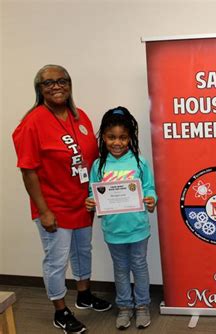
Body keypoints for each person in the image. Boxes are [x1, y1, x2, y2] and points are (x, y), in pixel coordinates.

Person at [12, 64, 112, 334]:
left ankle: (84, 294)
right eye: (49, 83)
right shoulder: (32, 122)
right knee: (56, 260)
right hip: (53, 206)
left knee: (83, 251)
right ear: (39, 89)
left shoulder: (80, 117)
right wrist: (43, 210)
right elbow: (28, 171)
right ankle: (60, 310)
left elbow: (92, 158)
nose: (56, 86)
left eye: (62, 81)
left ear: (69, 85)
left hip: (82, 202)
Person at [85, 106, 157, 330]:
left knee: (140, 266)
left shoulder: (139, 162)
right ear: (104, 138)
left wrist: (151, 199)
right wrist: (90, 201)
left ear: (130, 138)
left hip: (137, 228)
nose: (117, 142)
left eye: (123, 137)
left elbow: (150, 189)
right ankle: (124, 307)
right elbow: (92, 192)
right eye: (112, 137)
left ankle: (142, 306)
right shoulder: (99, 165)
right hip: (113, 230)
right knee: (120, 269)